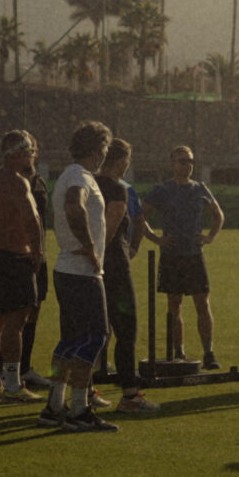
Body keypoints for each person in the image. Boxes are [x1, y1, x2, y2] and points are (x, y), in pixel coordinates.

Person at [42, 120, 121, 432]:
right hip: (82, 270)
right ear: (97, 149)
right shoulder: (79, 176)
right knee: (96, 337)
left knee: (70, 340)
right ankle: (78, 409)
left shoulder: (70, 174)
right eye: (103, 148)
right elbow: (74, 208)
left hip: (67, 268)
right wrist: (89, 247)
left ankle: (53, 404)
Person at [0, 129, 46, 402]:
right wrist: (37, 251)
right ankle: (13, 384)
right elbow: (32, 218)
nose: (30, 157)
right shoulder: (18, 182)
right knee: (16, 322)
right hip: (16, 258)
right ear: (16, 154)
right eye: (27, 152)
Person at [140, 145, 224, 366]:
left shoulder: (200, 189)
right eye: (182, 161)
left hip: (194, 255)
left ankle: (209, 353)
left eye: (190, 161)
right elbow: (140, 216)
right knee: (174, 306)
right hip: (171, 256)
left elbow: (218, 215)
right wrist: (156, 239)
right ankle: (179, 352)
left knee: (202, 304)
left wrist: (210, 237)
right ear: (172, 164)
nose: (187, 165)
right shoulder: (162, 190)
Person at [96, 137, 157, 412]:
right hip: (112, 266)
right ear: (121, 162)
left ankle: (80, 392)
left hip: (85, 265)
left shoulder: (85, 183)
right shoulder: (117, 189)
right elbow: (112, 229)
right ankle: (130, 395)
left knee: (91, 330)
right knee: (126, 329)